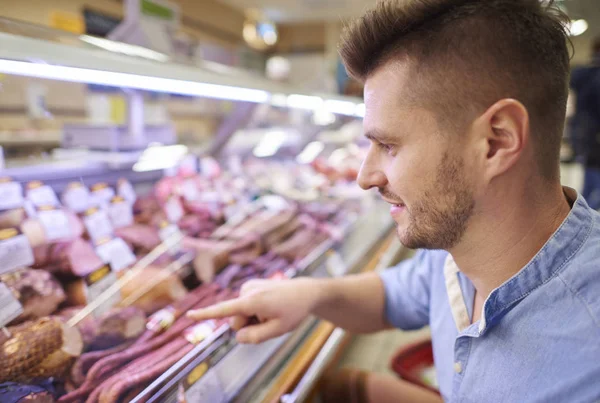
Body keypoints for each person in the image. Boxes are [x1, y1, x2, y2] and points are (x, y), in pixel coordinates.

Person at [188, 0, 600, 402]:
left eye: (388, 145)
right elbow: (393, 295)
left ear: (496, 141)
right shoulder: (458, 249)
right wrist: (311, 295)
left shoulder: (585, 362)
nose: (365, 177)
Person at [569, 37, 600, 210]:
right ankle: (581, 222)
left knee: (589, 186)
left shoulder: (582, 73)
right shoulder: (595, 77)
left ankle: (578, 219)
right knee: (595, 188)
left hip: (582, 136)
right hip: (595, 139)